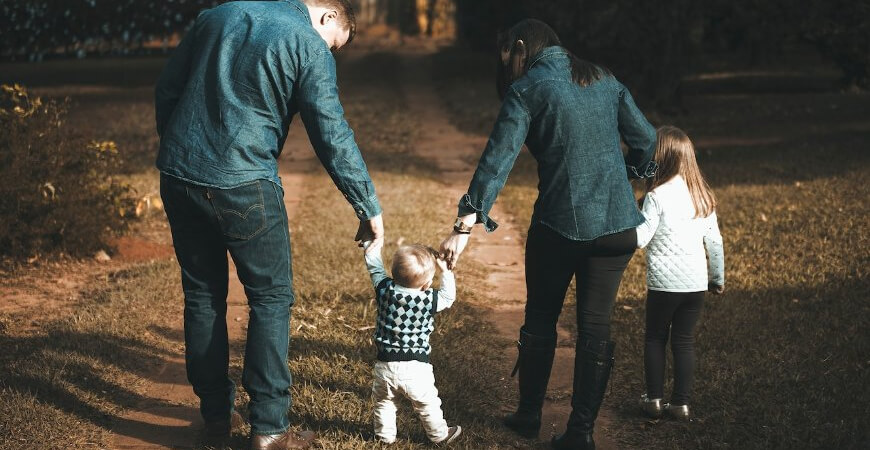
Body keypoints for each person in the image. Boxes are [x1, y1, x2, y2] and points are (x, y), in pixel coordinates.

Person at [154, 1, 384, 448]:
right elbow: (330, 133)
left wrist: (180, 151)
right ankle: (271, 428)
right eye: (333, 45)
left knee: (202, 295)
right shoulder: (308, 45)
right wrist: (367, 205)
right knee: (271, 298)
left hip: (179, 176)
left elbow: (167, 88)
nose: (328, 54)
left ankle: (216, 418)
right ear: (329, 17)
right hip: (244, 184)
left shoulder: (217, 14)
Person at [439, 19, 658, 450]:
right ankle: (581, 433)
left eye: (509, 58)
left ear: (521, 47)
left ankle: (528, 415)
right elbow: (647, 141)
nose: (509, 69)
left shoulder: (529, 88)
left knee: (541, 318)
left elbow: (496, 162)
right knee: (595, 326)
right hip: (618, 227)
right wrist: (625, 179)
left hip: (560, 225)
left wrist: (463, 227)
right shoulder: (603, 77)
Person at [635, 126, 725, 421]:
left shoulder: (657, 197)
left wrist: (625, 224)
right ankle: (681, 405)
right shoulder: (702, 197)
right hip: (696, 284)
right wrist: (716, 278)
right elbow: (714, 242)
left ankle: (654, 401)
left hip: (663, 285)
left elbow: (641, 238)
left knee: (655, 338)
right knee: (684, 341)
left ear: (660, 158)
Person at [362, 242, 462, 445]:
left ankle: (384, 437)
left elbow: (375, 268)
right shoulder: (428, 299)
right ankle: (439, 435)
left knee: (384, 402)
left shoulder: (384, 290)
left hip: (385, 366)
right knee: (427, 403)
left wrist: (370, 246)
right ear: (426, 284)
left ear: (394, 273)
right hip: (417, 367)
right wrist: (446, 272)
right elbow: (448, 297)